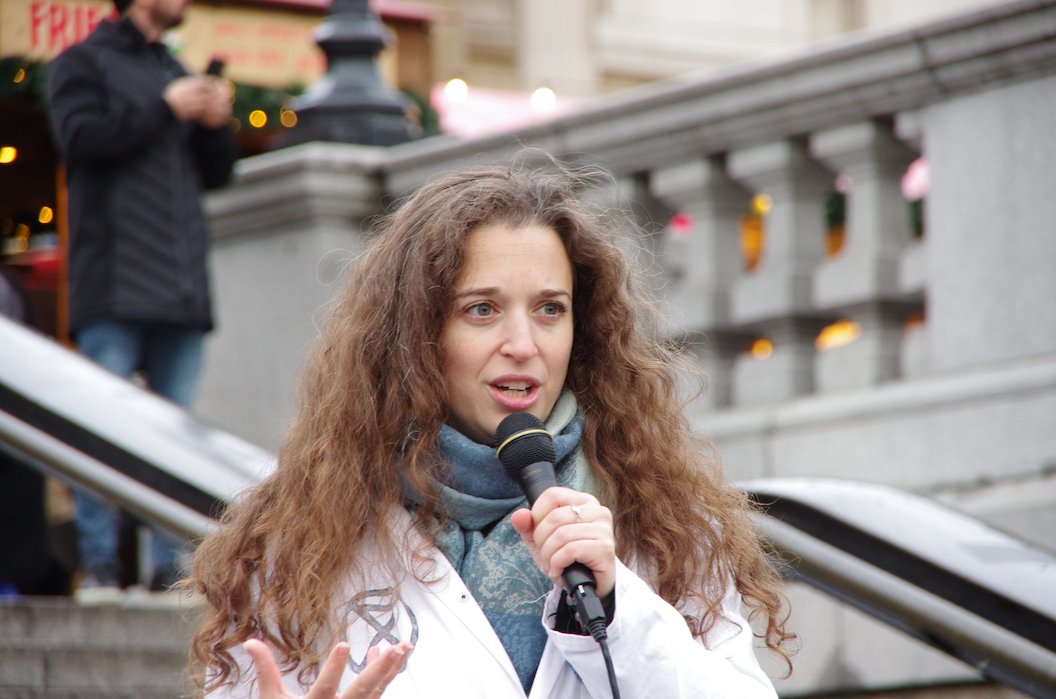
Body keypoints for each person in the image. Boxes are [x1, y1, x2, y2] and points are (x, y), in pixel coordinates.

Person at [187, 154, 795, 697]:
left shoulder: (670, 521)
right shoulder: (296, 534)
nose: (524, 344)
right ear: (417, 335)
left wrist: (618, 606)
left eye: (550, 310)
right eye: (482, 310)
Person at [46, 0, 237, 597]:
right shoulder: (81, 62)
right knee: (95, 430)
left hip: (180, 292)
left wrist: (214, 124)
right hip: (113, 285)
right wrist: (165, 107)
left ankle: (168, 571)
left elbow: (217, 174)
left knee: (176, 442)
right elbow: (78, 137)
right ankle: (100, 567)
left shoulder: (174, 69)